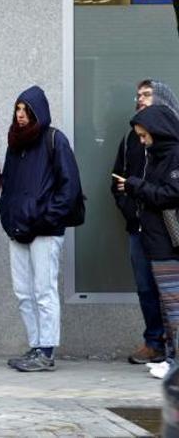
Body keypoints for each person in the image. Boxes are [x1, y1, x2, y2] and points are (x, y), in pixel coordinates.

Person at [0, 86, 83, 372]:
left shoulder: (54, 140)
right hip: (18, 229)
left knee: (43, 291)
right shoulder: (15, 142)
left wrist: (45, 218)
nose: (21, 116)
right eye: (18, 110)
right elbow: (7, 183)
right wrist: (7, 217)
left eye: (26, 111)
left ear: (38, 112)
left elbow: (69, 187)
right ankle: (35, 345)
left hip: (45, 230)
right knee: (23, 292)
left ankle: (46, 350)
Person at [113, 79, 179, 365]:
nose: (140, 98)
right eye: (138, 94)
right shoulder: (131, 138)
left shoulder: (170, 143)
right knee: (147, 289)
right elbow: (119, 177)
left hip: (167, 233)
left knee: (171, 296)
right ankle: (155, 343)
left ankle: (171, 354)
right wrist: (130, 208)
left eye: (147, 94)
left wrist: (137, 188)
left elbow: (169, 192)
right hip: (140, 227)